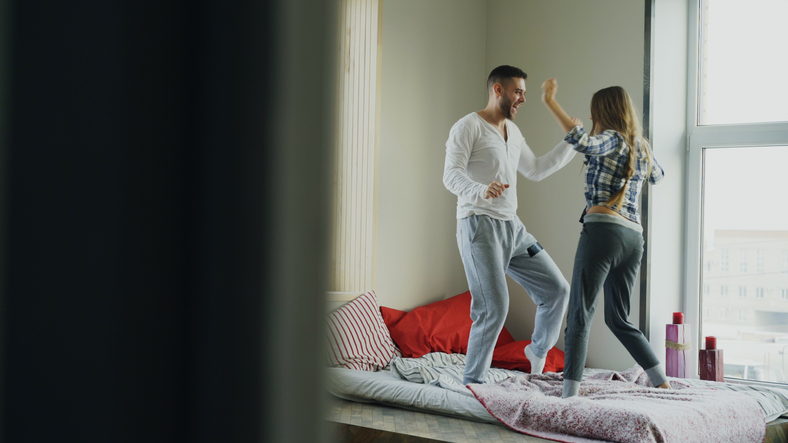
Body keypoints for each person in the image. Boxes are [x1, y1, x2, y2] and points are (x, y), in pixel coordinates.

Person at [443, 65, 577, 385]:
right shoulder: (468, 126)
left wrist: (571, 142)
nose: (523, 99)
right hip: (479, 226)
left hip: (513, 228)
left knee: (557, 290)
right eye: (518, 91)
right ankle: (473, 384)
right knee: (494, 308)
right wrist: (480, 189)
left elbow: (537, 169)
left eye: (525, 93)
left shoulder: (513, 133)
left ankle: (537, 352)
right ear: (498, 90)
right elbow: (451, 175)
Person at [540, 78, 671, 398]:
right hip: (633, 239)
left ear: (604, 113)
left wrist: (550, 102)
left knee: (580, 314)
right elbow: (658, 175)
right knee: (619, 318)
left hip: (603, 231)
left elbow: (582, 142)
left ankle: (569, 395)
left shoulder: (611, 139)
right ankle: (662, 382)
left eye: (594, 114)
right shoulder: (641, 145)